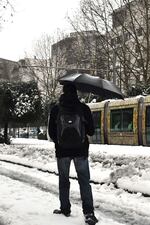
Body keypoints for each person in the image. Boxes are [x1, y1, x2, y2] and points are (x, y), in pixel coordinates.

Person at [48, 84, 98, 225]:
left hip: (62, 151)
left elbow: (52, 133)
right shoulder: (84, 108)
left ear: (63, 92)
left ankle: (65, 208)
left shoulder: (56, 109)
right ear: (76, 93)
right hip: (80, 151)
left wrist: (60, 142)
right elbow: (91, 131)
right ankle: (88, 213)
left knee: (64, 181)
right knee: (84, 182)